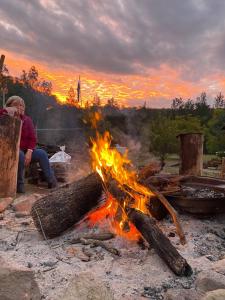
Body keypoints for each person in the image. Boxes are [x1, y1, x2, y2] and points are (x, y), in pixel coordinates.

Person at [0, 95, 57, 193]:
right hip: (10, 151)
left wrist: (30, 152)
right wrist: (6, 111)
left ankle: (52, 181)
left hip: (26, 150)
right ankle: (19, 187)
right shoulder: (4, 117)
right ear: (9, 106)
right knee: (21, 156)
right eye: (16, 105)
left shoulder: (27, 120)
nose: (20, 107)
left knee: (42, 154)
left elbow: (32, 138)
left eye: (22, 105)